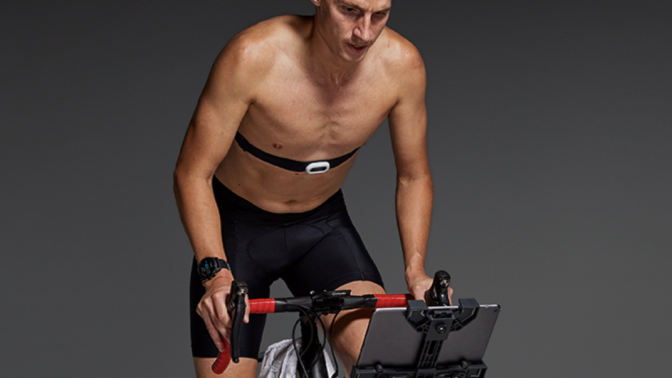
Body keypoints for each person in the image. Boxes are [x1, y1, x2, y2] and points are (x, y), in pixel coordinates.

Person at [174, 1, 449, 377]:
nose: (365, 32)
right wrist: (215, 274)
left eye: (379, 15)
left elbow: (413, 176)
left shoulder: (402, 65)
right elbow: (192, 173)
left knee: (382, 366)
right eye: (350, 11)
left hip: (322, 229)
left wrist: (416, 271)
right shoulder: (251, 56)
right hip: (238, 232)